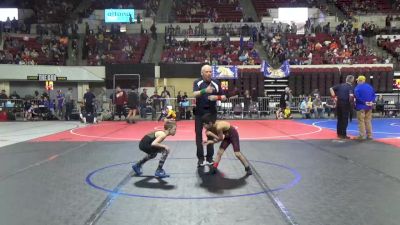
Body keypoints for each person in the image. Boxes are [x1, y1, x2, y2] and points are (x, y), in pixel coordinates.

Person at [193, 64, 226, 167]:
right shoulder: (197, 82)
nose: (209, 73)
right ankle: (200, 159)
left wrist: (217, 98)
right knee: (198, 135)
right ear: (202, 73)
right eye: (206, 72)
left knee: (210, 134)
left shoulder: (216, 82)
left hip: (211, 112)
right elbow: (194, 94)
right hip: (199, 112)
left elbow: (224, 97)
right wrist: (204, 91)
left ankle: (209, 158)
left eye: (210, 72)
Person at [330, 75, 355, 139]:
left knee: (339, 119)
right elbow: (351, 98)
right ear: (352, 80)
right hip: (346, 104)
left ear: (346, 79)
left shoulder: (340, 85)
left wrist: (334, 97)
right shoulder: (351, 87)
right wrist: (352, 105)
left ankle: (339, 134)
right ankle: (343, 135)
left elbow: (331, 88)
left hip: (339, 104)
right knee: (344, 120)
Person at [354, 75, 376, 140]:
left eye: (357, 80)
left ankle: (362, 135)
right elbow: (374, 95)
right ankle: (369, 135)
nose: (357, 81)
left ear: (359, 81)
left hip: (361, 106)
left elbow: (357, 97)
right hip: (369, 106)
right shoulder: (370, 87)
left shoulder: (357, 88)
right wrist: (371, 102)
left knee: (361, 121)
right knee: (368, 121)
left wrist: (364, 103)